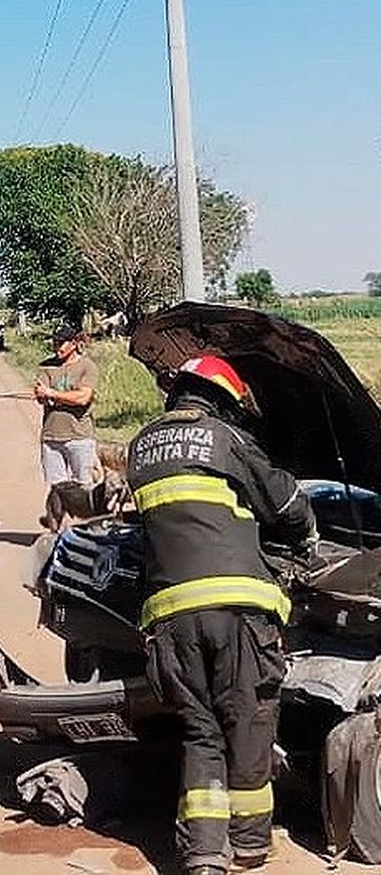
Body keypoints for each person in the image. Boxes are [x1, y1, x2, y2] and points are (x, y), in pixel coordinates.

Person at [128, 355, 317, 874]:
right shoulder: (225, 438)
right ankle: (252, 844)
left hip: (169, 615)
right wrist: (304, 536)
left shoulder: (139, 448)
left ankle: (204, 854)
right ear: (223, 401)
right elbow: (285, 504)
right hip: (239, 610)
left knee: (200, 730)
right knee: (248, 721)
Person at [35, 324, 100, 529]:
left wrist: (53, 394)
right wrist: (64, 397)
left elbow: (83, 398)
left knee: (85, 486)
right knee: (57, 489)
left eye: (61, 343)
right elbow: (39, 396)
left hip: (79, 436)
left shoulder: (87, 367)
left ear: (73, 343)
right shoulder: (46, 366)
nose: (57, 347)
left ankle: (90, 530)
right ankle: (57, 530)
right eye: (54, 342)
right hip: (51, 437)